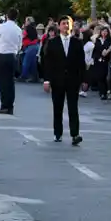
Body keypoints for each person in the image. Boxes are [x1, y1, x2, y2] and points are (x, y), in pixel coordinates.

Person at [42, 16, 86, 145]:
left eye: (68, 24)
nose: (66, 26)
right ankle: (58, 133)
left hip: (73, 79)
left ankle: (75, 134)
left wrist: (84, 80)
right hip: (57, 79)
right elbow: (47, 63)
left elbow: (81, 63)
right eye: (63, 24)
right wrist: (47, 80)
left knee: (73, 107)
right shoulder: (52, 42)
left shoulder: (77, 42)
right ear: (59, 26)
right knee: (58, 107)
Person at [0, 8, 23, 115]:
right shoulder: (18, 29)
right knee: (10, 82)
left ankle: (4, 105)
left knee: (3, 82)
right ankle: (10, 106)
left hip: (2, 56)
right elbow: (19, 45)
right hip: (12, 56)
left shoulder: (1, 27)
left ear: (7, 16)